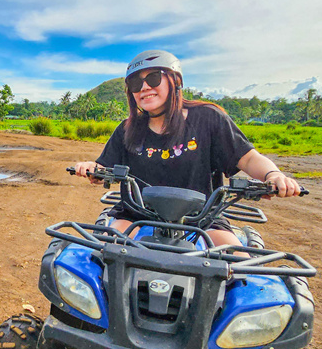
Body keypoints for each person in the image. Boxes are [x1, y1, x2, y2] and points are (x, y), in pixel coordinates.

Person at [72, 50, 302, 247]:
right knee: (101, 256)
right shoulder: (127, 128)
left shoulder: (209, 118)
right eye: (135, 83)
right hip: (136, 215)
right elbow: (103, 166)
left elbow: (248, 158)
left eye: (153, 78)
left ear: (175, 81)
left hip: (202, 219)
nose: (144, 87)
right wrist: (91, 168)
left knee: (240, 269)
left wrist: (274, 175)